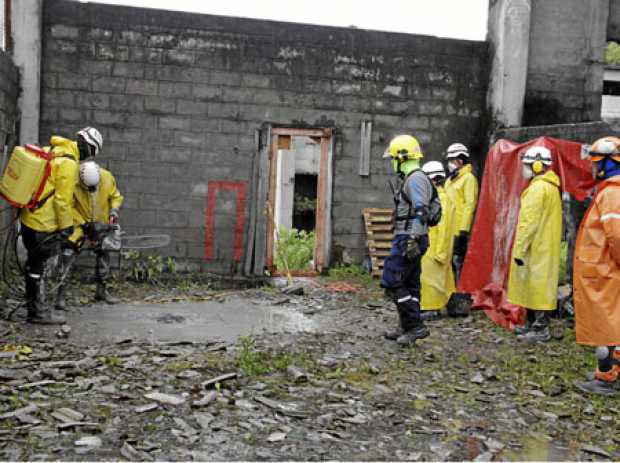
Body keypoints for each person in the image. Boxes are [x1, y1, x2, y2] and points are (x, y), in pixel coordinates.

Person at [19, 127, 103, 324]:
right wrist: (67, 228)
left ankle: (34, 309)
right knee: (40, 267)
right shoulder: (69, 164)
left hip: (29, 217)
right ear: (88, 147)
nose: (88, 156)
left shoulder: (53, 150)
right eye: (91, 151)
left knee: (33, 265)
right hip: (43, 223)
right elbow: (61, 201)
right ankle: (38, 313)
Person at [381, 135, 441, 346]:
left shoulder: (415, 178)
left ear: (401, 158)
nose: (391, 163)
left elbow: (421, 211)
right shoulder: (413, 178)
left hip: (409, 238)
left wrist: (413, 238)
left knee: (392, 279)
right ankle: (406, 326)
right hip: (409, 236)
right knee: (410, 283)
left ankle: (415, 326)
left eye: (392, 158)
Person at [574, 136, 620, 395]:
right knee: (612, 326)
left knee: (607, 330)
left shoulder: (613, 193)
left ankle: (606, 378)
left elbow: (617, 236)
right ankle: (610, 373)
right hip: (604, 271)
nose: (590, 167)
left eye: (594, 161)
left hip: (606, 273)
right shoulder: (610, 191)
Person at [506, 145, 562, 343]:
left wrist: (519, 250)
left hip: (536, 245)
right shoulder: (550, 186)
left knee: (538, 287)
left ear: (538, 165)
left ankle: (540, 328)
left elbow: (528, 223)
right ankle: (533, 325)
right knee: (536, 285)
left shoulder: (538, 188)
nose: (524, 168)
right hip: (544, 244)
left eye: (527, 164)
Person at [55, 160, 124, 309]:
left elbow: (116, 196)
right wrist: (84, 224)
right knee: (68, 251)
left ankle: (102, 291)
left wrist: (114, 210)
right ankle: (60, 296)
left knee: (104, 252)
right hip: (79, 222)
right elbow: (68, 206)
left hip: (100, 222)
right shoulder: (72, 182)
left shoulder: (107, 177)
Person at [420, 161, 456, 319]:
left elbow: (445, 228)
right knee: (431, 278)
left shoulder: (442, 200)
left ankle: (431, 308)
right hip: (431, 244)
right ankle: (431, 305)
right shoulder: (436, 198)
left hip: (435, 247)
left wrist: (441, 252)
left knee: (431, 279)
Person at [444, 143, 479, 280]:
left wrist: (463, 231)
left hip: (458, 230)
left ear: (461, 160)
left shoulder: (469, 179)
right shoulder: (450, 180)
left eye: (452, 160)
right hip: (447, 228)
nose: (450, 163)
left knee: (457, 263)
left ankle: (458, 293)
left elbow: (470, 206)